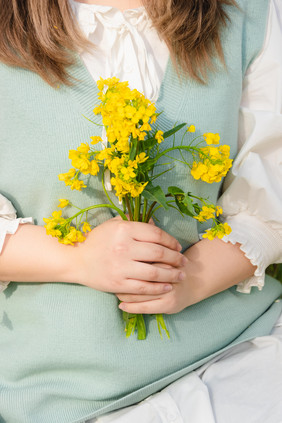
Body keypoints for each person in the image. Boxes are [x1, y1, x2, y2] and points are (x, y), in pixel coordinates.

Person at [0, 0, 281, 422]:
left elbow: (272, 196)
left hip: (241, 353)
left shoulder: (250, 14)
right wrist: (77, 259)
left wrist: (186, 281)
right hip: (66, 394)